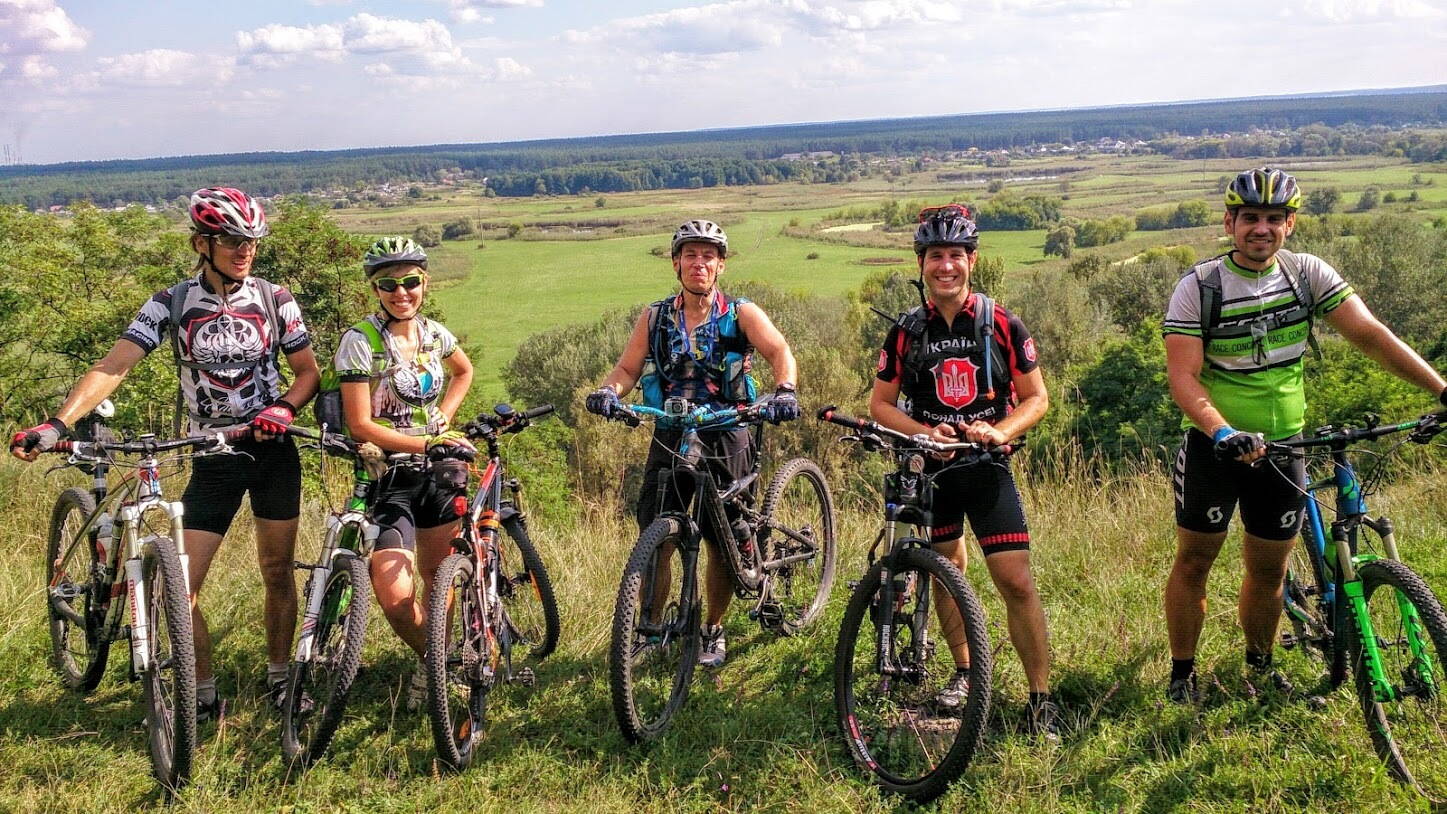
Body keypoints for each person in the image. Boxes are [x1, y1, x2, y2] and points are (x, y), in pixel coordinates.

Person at [11, 187, 321, 719]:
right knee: (182, 584)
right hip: (211, 453)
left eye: (251, 240)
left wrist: (285, 409)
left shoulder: (276, 299)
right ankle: (201, 693)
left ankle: (279, 680)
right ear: (202, 243)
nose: (244, 249)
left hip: (271, 449)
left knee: (276, 570)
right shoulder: (171, 303)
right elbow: (115, 365)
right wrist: (58, 423)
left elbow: (308, 373)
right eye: (231, 239)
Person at [1161, 166, 1447, 703]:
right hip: (1215, 449)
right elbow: (1184, 376)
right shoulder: (1199, 287)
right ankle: (1182, 676)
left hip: (1285, 446)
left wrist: (1441, 389)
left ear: (1289, 225)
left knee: (1269, 570)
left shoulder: (1305, 274)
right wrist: (1223, 432)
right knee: (1196, 561)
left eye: (1274, 218)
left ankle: (1259, 666)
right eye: (1250, 217)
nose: (1261, 228)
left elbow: (1370, 335)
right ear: (1229, 222)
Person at [869, 203, 1058, 737]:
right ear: (922, 263)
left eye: (955, 254)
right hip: (933, 473)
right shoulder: (907, 331)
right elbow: (880, 404)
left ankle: (1040, 697)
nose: (945, 266)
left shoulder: (1001, 323)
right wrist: (924, 433)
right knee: (947, 573)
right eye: (935, 256)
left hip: (987, 468)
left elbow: (1037, 398)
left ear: (972, 260)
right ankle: (966, 671)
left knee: (1015, 580)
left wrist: (1002, 431)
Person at [584, 219, 801, 668]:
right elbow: (627, 369)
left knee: (725, 537)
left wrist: (785, 390)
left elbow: (779, 352)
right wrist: (608, 392)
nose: (698, 263)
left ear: (720, 265)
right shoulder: (655, 317)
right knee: (656, 536)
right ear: (676, 263)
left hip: (727, 428)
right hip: (671, 429)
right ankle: (650, 631)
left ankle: (713, 628)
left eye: (708, 255)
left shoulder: (741, 313)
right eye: (690, 255)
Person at [333, 236, 474, 707]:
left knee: (438, 577)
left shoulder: (435, 334)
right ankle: (440, 661)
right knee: (394, 596)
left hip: (440, 473)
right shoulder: (361, 341)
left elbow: (464, 372)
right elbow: (359, 423)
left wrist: (444, 420)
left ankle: (432, 671)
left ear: (424, 283)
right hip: (390, 476)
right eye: (388, 284)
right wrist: (426, 441)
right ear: (375, 289)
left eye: (410, 282)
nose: (401, 293)